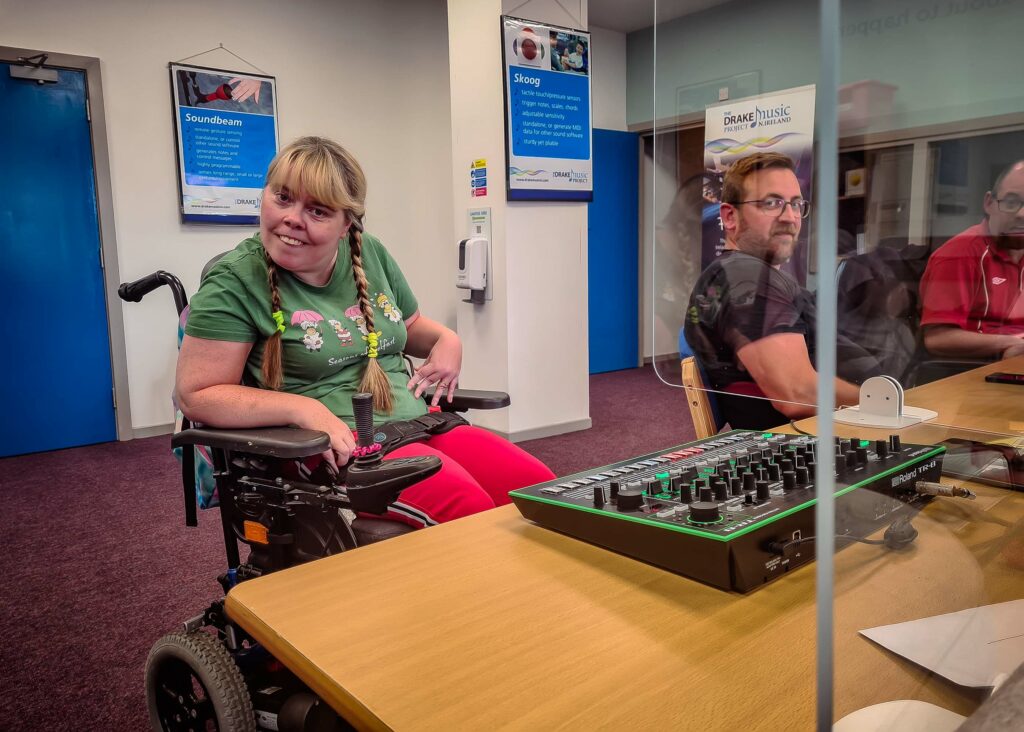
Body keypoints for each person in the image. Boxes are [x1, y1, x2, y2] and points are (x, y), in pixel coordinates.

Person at [176, 136, 554, 529]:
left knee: (542, 496)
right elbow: (198, 395)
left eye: (317, 210)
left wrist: (448, 341)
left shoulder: (368, 251)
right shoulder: (235, 281)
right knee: (470, 514)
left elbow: (406, 328)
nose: (292, 218)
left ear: (347, 225)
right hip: (333, 450)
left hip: (419, 424)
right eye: (283, 198)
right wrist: (303, 409)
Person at [684, 152, 873, 430]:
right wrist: (891, 404)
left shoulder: (753, 274)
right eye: (771, 203)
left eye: (796, 204)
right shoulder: (745, 277)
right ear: (730, 216)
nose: (790, 217)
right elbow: (797, 395)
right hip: (836, 439)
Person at [919, 160, 1024, 360]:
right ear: (989, 203)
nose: (1021, 214)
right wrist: (1011, 343)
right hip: (974, 370)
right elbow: (937, 339)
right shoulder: (959, 254)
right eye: (1011, 202)